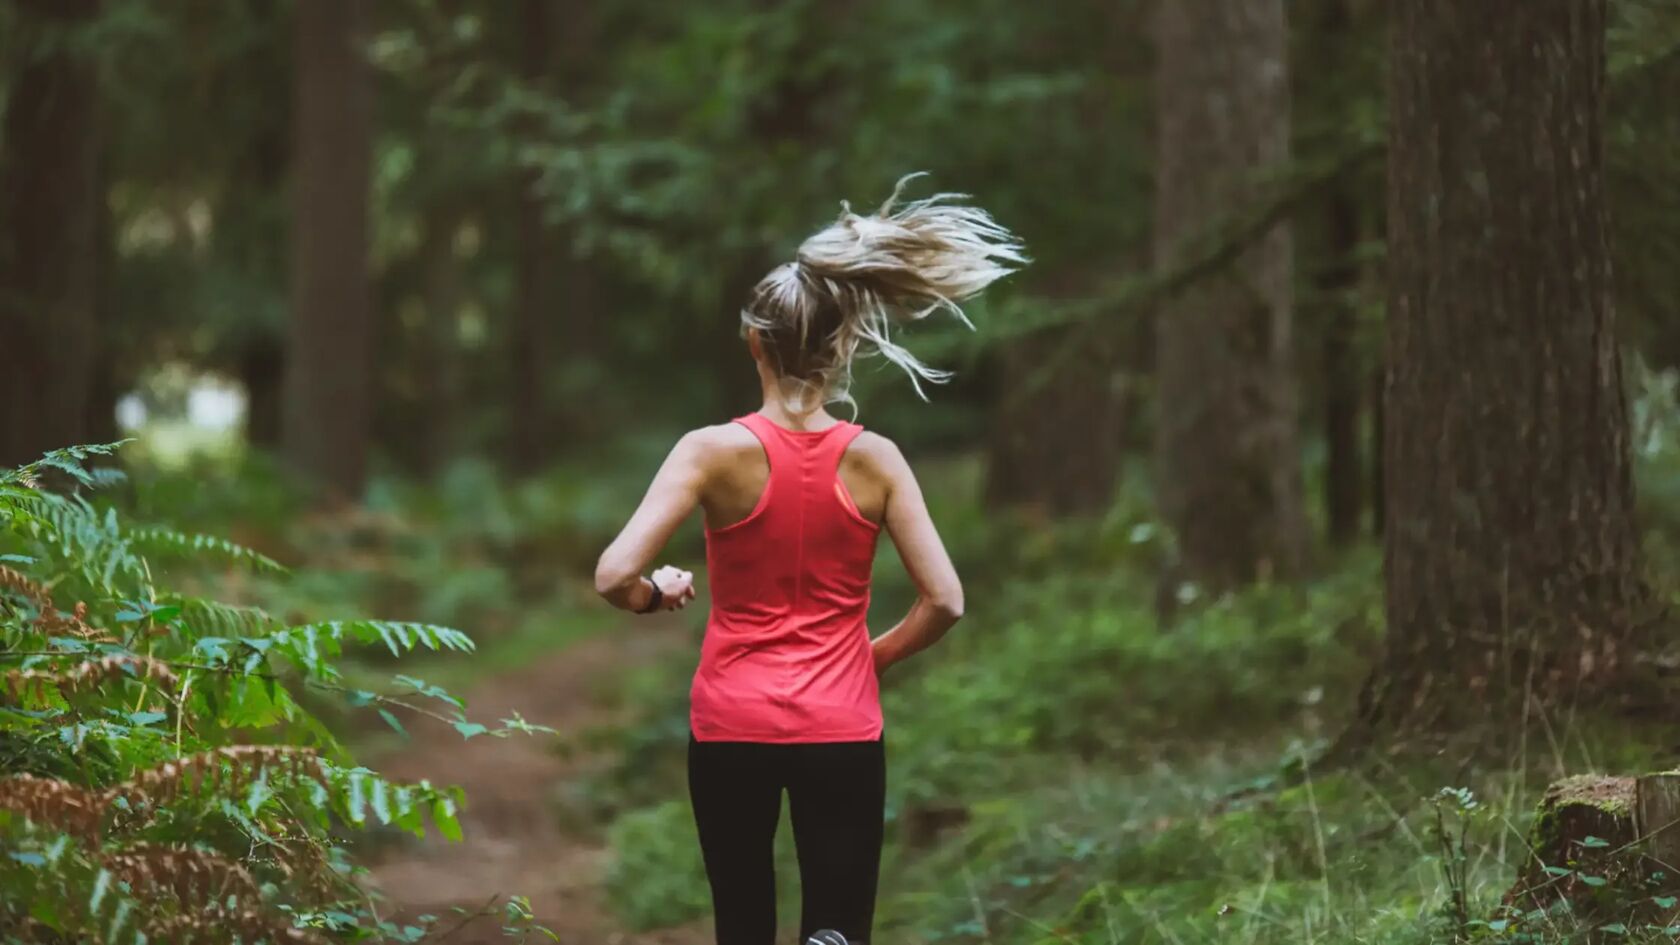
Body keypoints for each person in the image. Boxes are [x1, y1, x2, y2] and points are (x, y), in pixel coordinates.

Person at [594, 176, 1025, 945]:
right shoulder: (878, 461)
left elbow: (612, 574)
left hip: (730, 724)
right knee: (839, 929)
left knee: (743, 924)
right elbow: (946, 601)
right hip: (842, 725)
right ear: (843, 344)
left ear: (755, 342)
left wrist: (654, 595)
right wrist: (873, 656)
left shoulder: (709, 452)